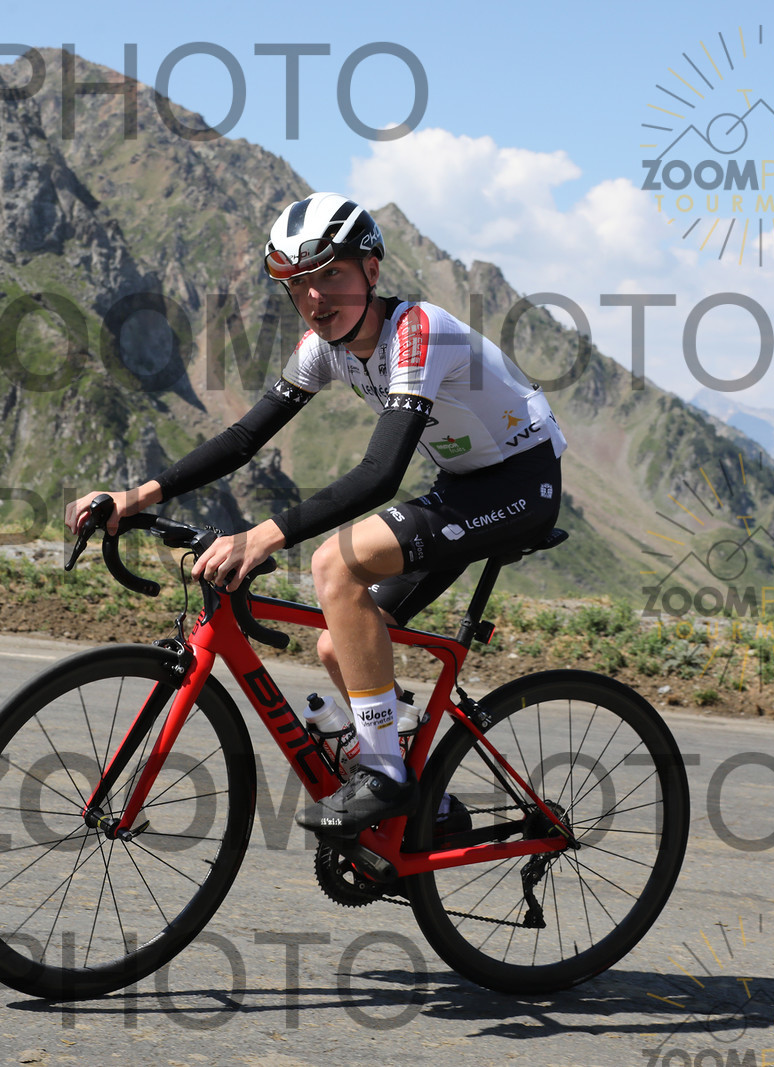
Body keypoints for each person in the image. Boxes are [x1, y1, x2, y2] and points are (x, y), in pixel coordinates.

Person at [66, 192, 566, 837]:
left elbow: (379, 474)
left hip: (522, 485)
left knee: (335, 564)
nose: (314, 297)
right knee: (340, 643)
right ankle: (428, 806)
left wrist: (261, 537)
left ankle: (385, 775)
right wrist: (137, 496)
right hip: (463, 486)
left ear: (372, 271)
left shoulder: (419, 332)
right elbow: (244, 439)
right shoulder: (323, 347)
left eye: (331, 276)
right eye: (298, 284)